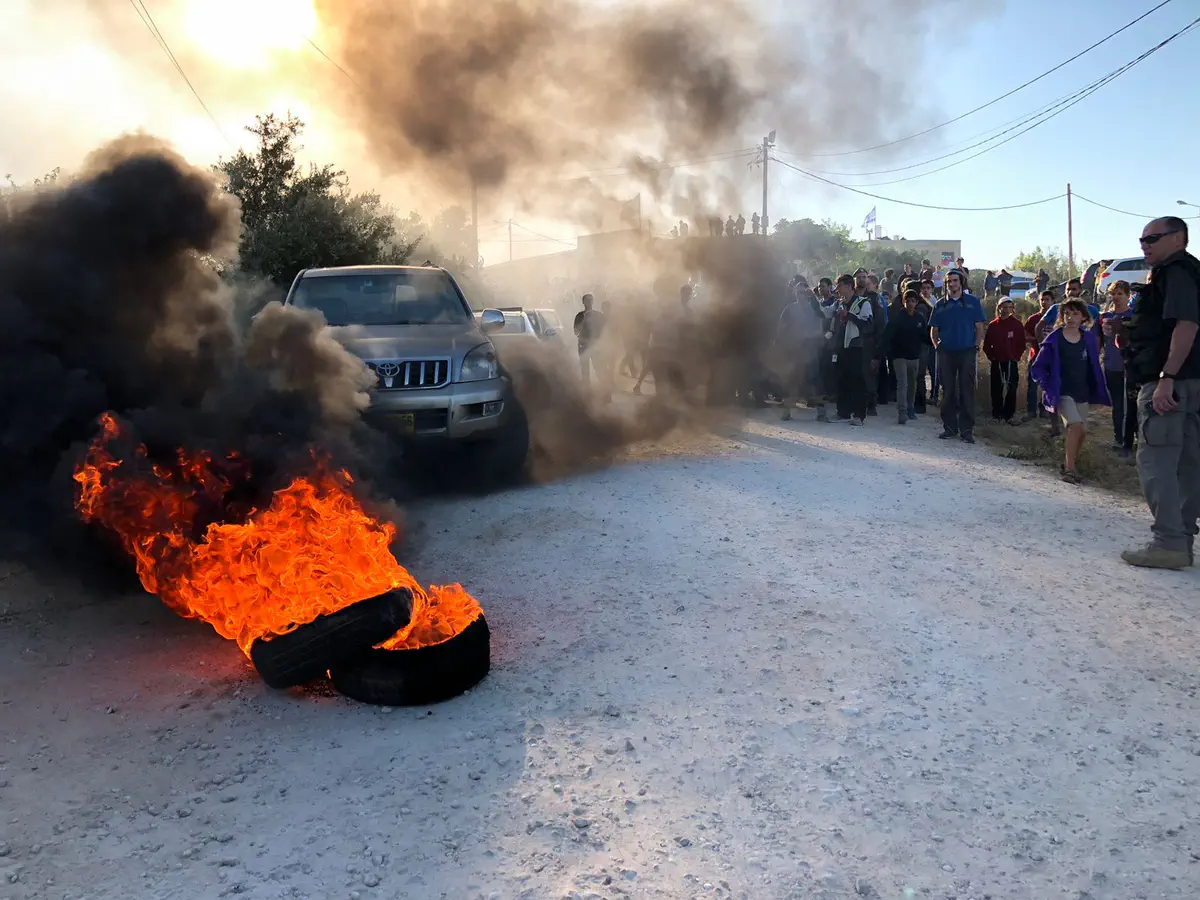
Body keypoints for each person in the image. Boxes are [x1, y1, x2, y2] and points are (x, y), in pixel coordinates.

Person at [1113, 216, 1200, 569]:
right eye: (1142, 240)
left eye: (1153, 239)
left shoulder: (1174, 272)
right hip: (1191, 382)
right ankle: (1182, 542)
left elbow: (1187, 323)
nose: (1144, 245)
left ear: (1178, 238)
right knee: (1188, 464)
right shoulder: (1191, 272)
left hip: (1171, 383)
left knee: (1157, 462)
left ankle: (1168, 542)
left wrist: (1167, 376)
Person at [1031, 299, 1110, 484]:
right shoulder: (1054, 338)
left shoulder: (1088, 338)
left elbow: (1093, 365)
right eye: (1066, 313)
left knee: (1081, 432)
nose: (1071, 317)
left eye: (1075, 314)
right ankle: (1069, 469)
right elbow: (1038, 367)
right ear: (1061, 316)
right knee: (1075, 426)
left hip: (1082, 391)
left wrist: (1098, 388)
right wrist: (1047, 385)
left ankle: (1069, 461)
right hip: (1063, 392)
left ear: (1083, 317)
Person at [929, 269, 987, 443]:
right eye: (949, 281)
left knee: (966, 389)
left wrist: (976, 345)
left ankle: (967, 430)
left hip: (967, 351)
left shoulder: (972, 302)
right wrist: (937, 346)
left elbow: (979, 327)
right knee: (947, 390)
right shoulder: (940, 304)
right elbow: (934, 329)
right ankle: (949, 427)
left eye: (955, 280)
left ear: (961, 282)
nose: (952, 284)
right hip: (946, 352)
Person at [1099, 280, 1137, 456]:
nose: (1116, 297)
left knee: (1132, 404)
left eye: (1120, 293)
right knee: (1117, 404)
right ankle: (1119, 438)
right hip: (1112, 364)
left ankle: (1133, 438)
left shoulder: (1134, 315)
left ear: (1128, 296)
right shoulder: (1105, 317)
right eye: (1113, 293)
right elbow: (1098, 340)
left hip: (1131, 365)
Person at [883, 289, 926, 424]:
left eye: (913, 301)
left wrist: (937, 343)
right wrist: (881, 354)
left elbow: (924, 336)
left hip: (914, 356)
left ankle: (910, 408)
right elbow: (887, 336)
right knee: (902, 384)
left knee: (912, 385)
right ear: (903, 302)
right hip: (899, 356)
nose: (910, 304)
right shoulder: (897, 318)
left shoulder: (920, 318)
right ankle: (902, 412)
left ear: (917, 302)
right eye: (908, 301)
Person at [834, 273, 872, 425]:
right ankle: (843, 412)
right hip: (841, 347)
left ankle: (859, 415)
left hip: (856, 347)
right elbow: (826, 313)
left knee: (857, 381)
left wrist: (849, 315)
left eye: (840, 286)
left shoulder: (863, 303)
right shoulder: (839, 303)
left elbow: (868, 325)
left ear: (849, 286)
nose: (837, 289)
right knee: (842, 379)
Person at [983, 297, 1026, 422]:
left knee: (1011, 388)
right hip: (997, 361)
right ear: (999, 308)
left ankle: (1009, 414)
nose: (1007, 310)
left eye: (1010, 307)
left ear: (1013, 309)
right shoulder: (993, 325)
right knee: (996, 388)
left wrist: (1016, 356)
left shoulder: (1017, 324)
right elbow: (987, 345)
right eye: (1004, 307)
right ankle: (997, 414)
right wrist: (992, 356)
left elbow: (1021, 344)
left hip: (1011, 361)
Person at [1024, 291, 1054, 420]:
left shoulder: (1057, 317)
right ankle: (1031, 411)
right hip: (1035, 355)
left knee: (1048, 385)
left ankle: (1045, 410)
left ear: (1052, 301)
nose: (1044, 302)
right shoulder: (1033, 319)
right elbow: (1025, 335)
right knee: (1032, 385)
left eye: (1047, 299)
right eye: (1042, 299)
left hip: (1052, 356)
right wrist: (1036, 339)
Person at [573, 293, 607, 384]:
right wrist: (584, 320)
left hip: (594, 344)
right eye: (587, 300)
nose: (588, 302)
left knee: (598, 366)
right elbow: (576, 331)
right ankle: (586, 387)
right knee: (584, 367)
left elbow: (606, 327)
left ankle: (605, 385)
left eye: (590, 300)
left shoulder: (598, 315)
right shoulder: (580, 316)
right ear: (583, 302)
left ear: (592, 302)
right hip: (583, 344)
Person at [914, 279, 936, 411]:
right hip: (925, 342)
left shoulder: (934, 303)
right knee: (921, 372)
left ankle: (933, 395)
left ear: (932, 289)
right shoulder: (918, 303)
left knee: (932, 370)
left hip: (930, 342)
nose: (925, 290)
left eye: (928, 288)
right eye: (923, 288)